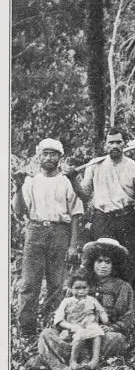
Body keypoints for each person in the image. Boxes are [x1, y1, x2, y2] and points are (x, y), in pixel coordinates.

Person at [63, 127, 135, 313]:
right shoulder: (95, 165)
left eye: (118, 142)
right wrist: (72, 179)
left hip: (126, 220)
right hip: (102, 219)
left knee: (129, 267)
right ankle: (98, 312)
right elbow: (85, 195)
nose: (115, 145)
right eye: (111, 142)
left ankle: (132, 315)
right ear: (105, 144)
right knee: (99, 263)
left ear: (124, 144)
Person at [11, 138, 83, 338]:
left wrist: (73, 245)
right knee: (29, 283)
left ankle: (53, 327)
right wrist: (17, 187)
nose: (49, 158)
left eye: (54, 154)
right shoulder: (31, 182)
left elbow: (76, 214)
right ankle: (27, 331)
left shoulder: (66, 182)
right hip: (35, 232)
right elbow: (19, 212)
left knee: (56, 282)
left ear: (60, 157)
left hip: (60, 232)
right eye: (45, 153)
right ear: (39, 156)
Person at [34, 238, 134, 370]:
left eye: (107, 262)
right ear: (92, 262)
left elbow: (128, 318)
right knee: (47, 334)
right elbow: (64, 311)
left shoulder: (123, 287)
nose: (103, 266)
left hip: (101, 336)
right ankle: (71, 361)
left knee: (117, 339)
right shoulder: (80, 283)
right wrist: (68, 327)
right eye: (99, 261)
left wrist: (111, 328)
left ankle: (79, 358)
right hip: (75, 332)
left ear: (114, 264)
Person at [53, 269, 109, 370]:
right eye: (77, 288)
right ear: (70, 288)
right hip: (75, 326)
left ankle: (95, 360)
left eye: (84, 288)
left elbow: (100, 310)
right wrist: (71, 326)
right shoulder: (67, 301)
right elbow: (59, 319)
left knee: (97, 331)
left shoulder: (91, 300)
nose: (81, 291)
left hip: (90, 325)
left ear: (89, 288)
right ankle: (73, 360)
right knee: (80, 333)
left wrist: (104, 317)